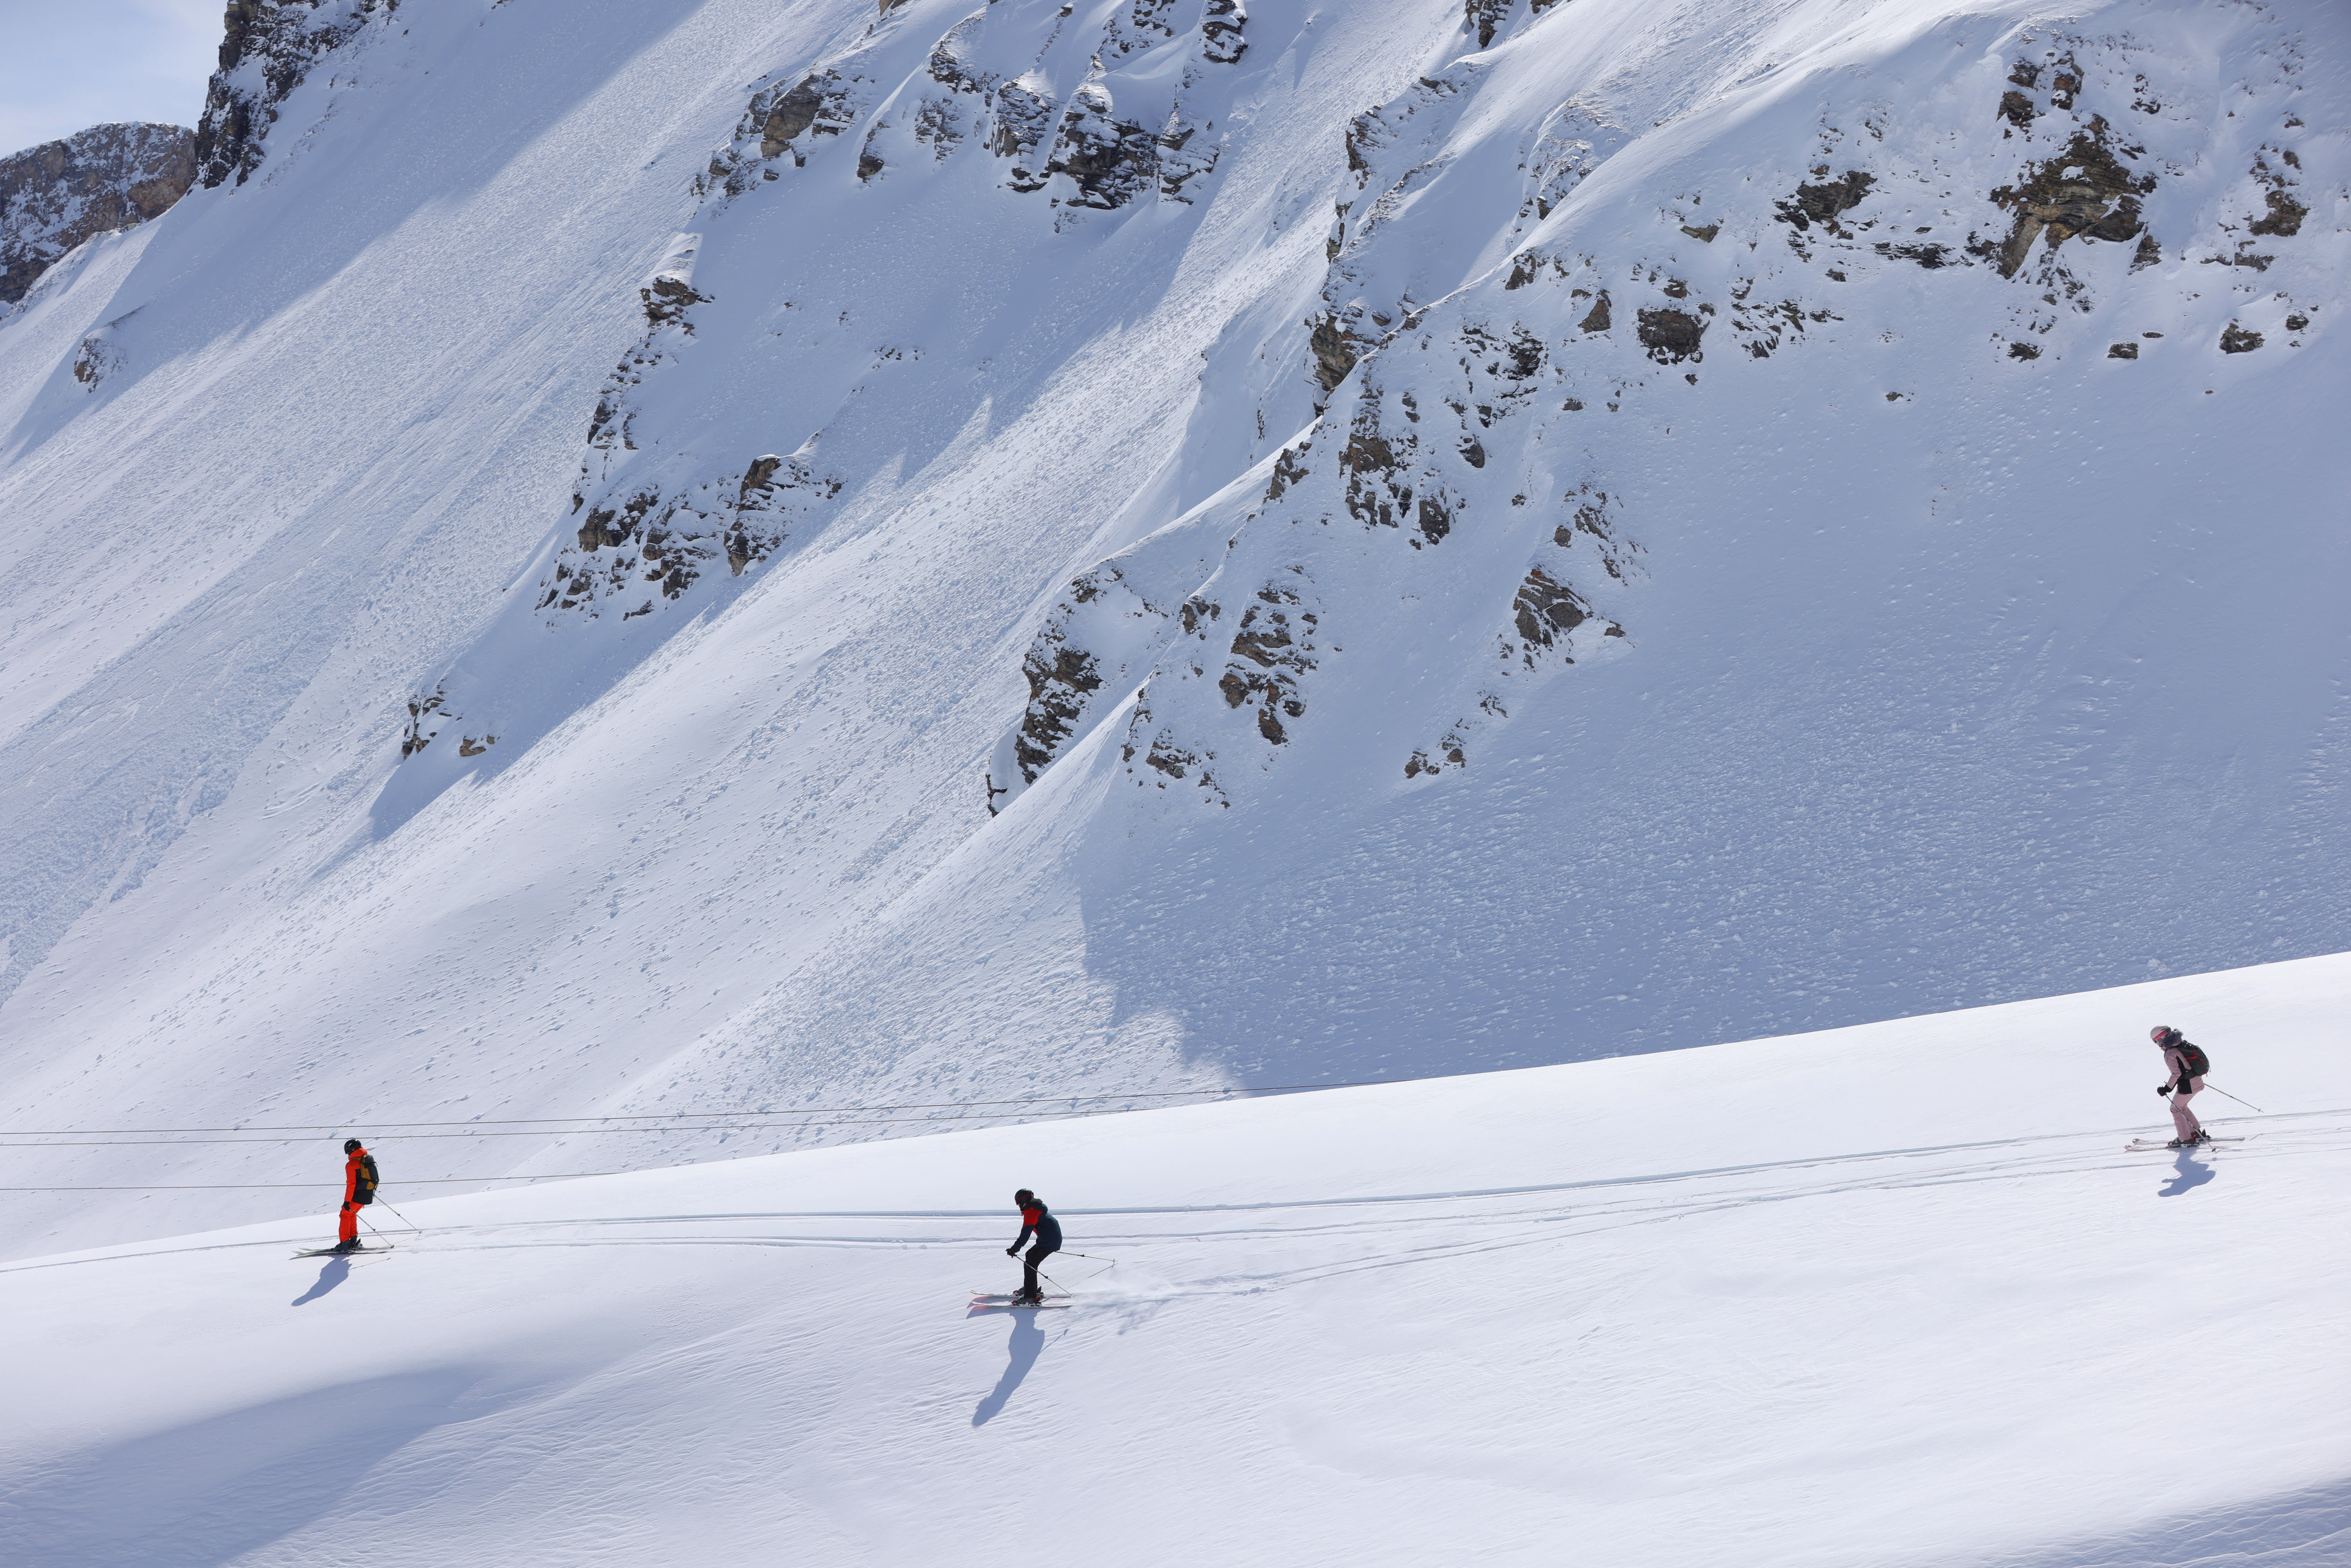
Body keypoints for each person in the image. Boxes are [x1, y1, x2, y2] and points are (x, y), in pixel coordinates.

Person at [2150, 1026, 2211, 1149]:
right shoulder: (2181, 1044)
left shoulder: (2170, 1053)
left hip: (2188, 1086)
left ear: (2161, 1038)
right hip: (2197, 1081)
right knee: (2181, 1107)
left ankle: (2185, 1139)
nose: (2157, 1044)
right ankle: (2196, 1133)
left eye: (2156, 1041)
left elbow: (2177, 1074)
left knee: (2176, 1109)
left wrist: (2166, 1089)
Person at [1004, 1188, 1061, 1305]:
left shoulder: (1032, 1212)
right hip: (1047, 1241)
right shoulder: (1035, 1209)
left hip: (1049, 1243)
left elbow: (1025, 1235)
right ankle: (1030, 1288)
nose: (1019, 1206)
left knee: (1030, 1265)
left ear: (1024, 1201)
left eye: (1019, 1203)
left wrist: (1014, 1249)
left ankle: (1030, 1297)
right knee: (1029, 1256)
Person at [334, 1137, 380, 1252]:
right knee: (352, 1214)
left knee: (345, 1214)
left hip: (357, 1195)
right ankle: (353, 1241)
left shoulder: (352, 1164)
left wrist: (347, 1202)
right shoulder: (366, 1160)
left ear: (351, 1150)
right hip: (368, 1193)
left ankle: (345, 1244)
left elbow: (351, 1184)